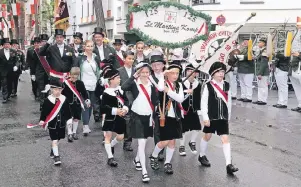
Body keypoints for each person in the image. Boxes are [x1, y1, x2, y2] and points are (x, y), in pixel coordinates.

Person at [199, 61, 238, 175]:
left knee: (225, 139)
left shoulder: (226, 85)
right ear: (213, 73)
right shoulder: (208, 85)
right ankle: (201, 156)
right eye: (218, 72)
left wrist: (228, 115)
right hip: (211, 117)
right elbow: (204, 102)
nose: (221, 74)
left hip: (223, 117)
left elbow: (229, 101)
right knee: (207, 136)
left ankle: (228, 164)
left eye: (222, 72)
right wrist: (205, 117)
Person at [121, 62, 157, 182]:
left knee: (145, 142)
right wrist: (133, 76)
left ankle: (137, 160)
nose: (145, 74)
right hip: (136, 116)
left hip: (148, 116)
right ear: (138, 72)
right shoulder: (134, 84)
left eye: (147, 72)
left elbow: (155, 101)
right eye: (143, 72)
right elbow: (123, 87)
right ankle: (144, 172)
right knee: (141, 143)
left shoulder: (152, 85)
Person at [149, 61, 185, 175]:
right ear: (168, 74)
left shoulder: (178, 85)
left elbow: (180, 99)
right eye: (172, 73)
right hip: (164, 117)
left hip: (176, 117)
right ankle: (154, 156)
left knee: (172, 142)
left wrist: (169, 91)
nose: (175, 76)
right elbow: (160, 88)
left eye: (177, 73)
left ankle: (167, 163)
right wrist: (163, 74)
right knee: (164, 141)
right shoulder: (163, 82)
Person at [39, 77, 72, 166]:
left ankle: (53, 149)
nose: (57, 91)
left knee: (59, 138)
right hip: (52, 124)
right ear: (51, 90)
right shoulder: (48, 101)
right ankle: (57, 157)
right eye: (55, 89)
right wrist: (42, 120)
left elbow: (68, 112)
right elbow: (44, 112)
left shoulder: (64, 99)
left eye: (59, 89)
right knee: (54, 139)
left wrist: (69, 121)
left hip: (61, 124)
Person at [101, 68, 129, 167]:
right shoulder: (106, 92)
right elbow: (103, 108)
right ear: (111, 80)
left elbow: (126, 100)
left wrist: (125, 109)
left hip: (120, 117)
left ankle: (111, 146)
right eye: (117, 78)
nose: (119, 79)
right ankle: (110, 158)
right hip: (110, 117)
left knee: (120, 136)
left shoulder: (120, 90)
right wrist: (115, 111)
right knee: (107, 136)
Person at [73, 40, 101, 136]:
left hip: (94, 85)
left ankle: (86, 124)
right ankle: (85, 125)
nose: (89, 48)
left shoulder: (96, 58)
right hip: (83, 85)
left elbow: (99, 70)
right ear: (84, 47)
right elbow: (75, 70)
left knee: (91, 106)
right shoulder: (80, 58)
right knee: (85, 104)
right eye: (88, 46)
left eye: (91, 46)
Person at [179, 64, 202, 156]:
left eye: (193, 71)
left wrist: (199, 108)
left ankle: (192, 142)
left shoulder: (198, 84)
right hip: (183, 108)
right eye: (188, 70)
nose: (190, 72)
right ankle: (181, 146)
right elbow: (177, 93)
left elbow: (198, 97)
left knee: (197, 127)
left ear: (196, 73)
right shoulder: (181, 82)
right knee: (183, 129)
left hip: (193, 109)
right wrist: (185, 91)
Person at [62, 67, 90, 142]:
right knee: (69, 118)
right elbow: (62, 94)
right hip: (68, 103)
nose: (74, 78)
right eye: (73, 76)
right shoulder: (65, 83)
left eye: (76, 76)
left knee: (76, 118)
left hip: (77, 103)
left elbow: (84, 92)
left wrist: (87, 99)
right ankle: (69, 133)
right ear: (70, 74)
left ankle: (74, 132)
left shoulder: (80, 83)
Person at [148, 53, 165, 161]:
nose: (156, 67)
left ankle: (162, 149)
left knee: (167, 130)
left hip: (167, 106)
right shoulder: (149, 77)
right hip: (154, 106)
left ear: (163, 65)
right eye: (154, 65)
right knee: (157, 130)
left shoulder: (167, 76)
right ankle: (159, 151)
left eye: (158, 64)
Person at [118, 51, 135, 151]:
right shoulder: (119, 70)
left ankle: (128, 141)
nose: (131, 60)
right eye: (129, 58)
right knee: (126, 120)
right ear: (124, 59)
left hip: (134, 97)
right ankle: (125, 140)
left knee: (132, 120)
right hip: (123, 97)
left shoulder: (136, 70)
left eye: (133, 59)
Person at [289, 18, 301, 112]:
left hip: (299, 61)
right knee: (296, 85)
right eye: (297, 25)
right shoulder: (295, 34)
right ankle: (300, 104)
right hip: (294, 62)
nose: (298, 26)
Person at [0, 38, 17, 103]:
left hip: (11, 71)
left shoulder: (13, 51)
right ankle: (5, 97)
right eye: (5, 44)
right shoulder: (0, 52)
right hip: (3, 71)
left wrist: (16, 66)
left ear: (9, 45)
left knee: (10, 84)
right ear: (3, 45)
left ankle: (8, 94)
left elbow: (16, 60)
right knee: (4, 84)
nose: (7, 45)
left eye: (8, 44)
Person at [253, 37, 269, 105]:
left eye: (260, 42)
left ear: (263, 43)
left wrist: (260, 73)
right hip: (259, 70)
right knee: (260, 86)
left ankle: (263, 100)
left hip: (263, 72)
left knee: (263, 86)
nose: (259, 43)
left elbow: (263, 63)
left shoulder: (265, 51)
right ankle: (260, 99)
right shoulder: (261, 50)